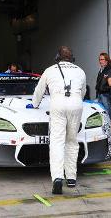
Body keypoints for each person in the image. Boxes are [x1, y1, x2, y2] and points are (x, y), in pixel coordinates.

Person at [29, 46, 86, 194]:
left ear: (57, 57)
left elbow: (39, 90)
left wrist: (35, 104)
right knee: (72, 141)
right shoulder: (80, 71)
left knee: (57, 142)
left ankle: (57, 178)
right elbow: (83, 92)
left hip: (58, 105)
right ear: (72, 58)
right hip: (76, 104)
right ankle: (72, 178)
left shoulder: (50, 70)